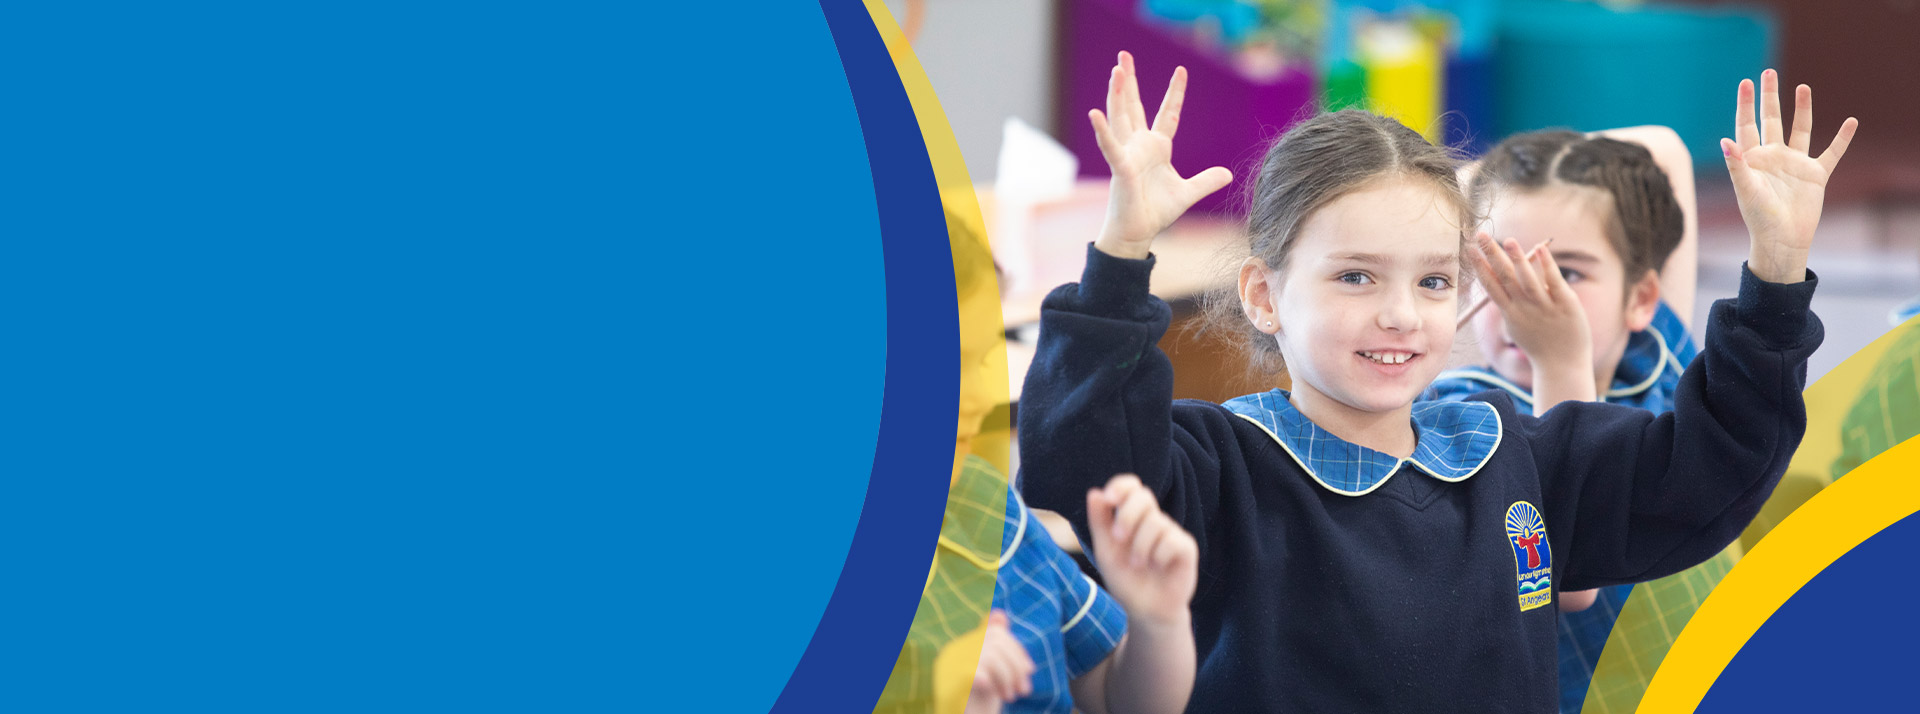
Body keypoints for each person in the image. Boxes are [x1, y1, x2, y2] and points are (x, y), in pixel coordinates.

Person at [1017, 51, 1854, 710]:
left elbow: (1709, 472)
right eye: (1355, 277)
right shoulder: (1219, 462)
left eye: (1433, 281)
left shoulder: (1512, 449)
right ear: (1265, 296)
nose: (1400, 315)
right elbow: (1075, 463)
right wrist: (1122, 252)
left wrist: (1776, 272)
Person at [1420, 126, 1703, 711]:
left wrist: (1478, 189)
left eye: (1566, 271)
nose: (1530, 291)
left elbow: (1665, 149)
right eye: (1500, 265)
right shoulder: (1457, 418)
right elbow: (1573, 579)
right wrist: (1561, 360)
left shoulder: (1652, 357)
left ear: (1639, 298)